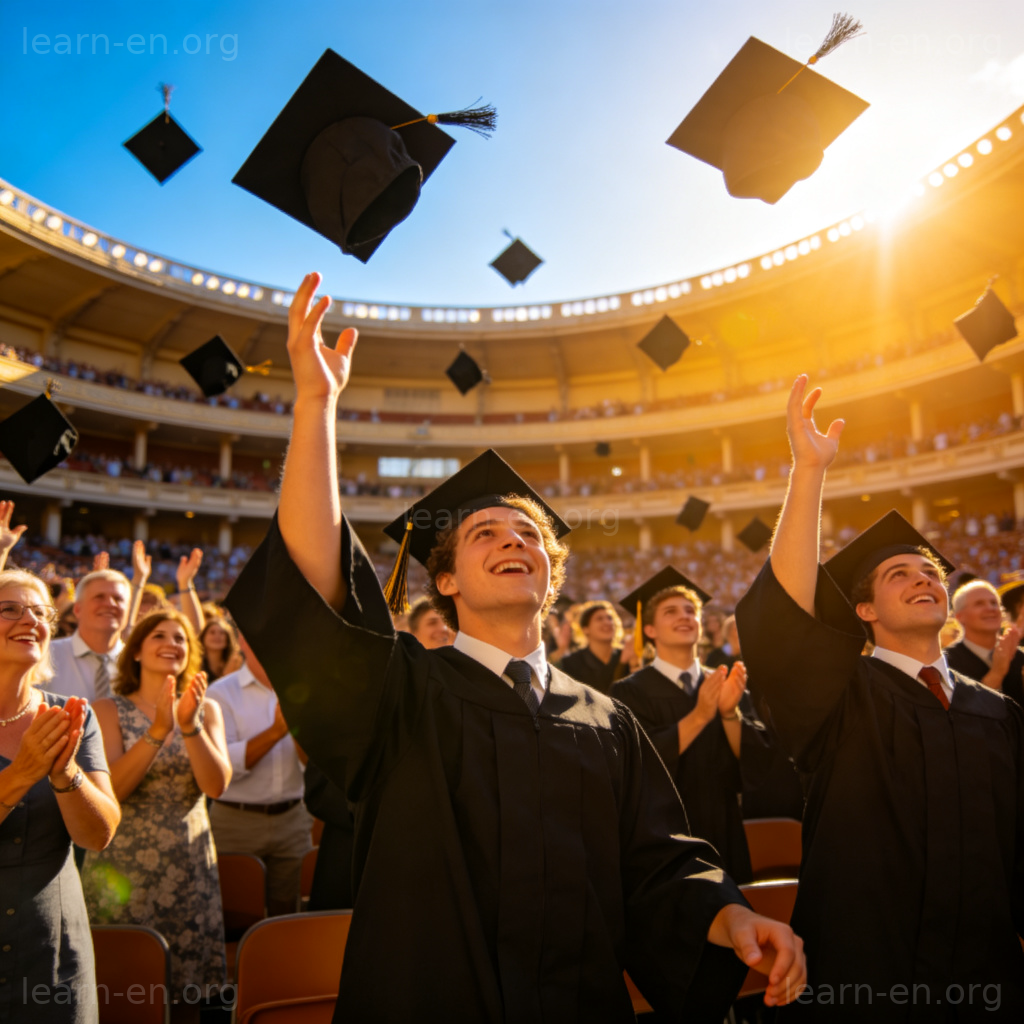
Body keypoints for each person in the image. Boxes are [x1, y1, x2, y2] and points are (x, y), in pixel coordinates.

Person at [225, 273, 805, 1022]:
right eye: (485, 534)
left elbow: (659, 860)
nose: (513, 541)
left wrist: (731, 917)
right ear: (446, 580)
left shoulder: (605, 720)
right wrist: (315, 406)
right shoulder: (400, 694)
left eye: (529, 534)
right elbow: (315, 588)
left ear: (551, 575)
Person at [735, 375, 1024, 1020]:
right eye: (899, 574)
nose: (923, 577)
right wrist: (808, 471)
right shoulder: (840, 697)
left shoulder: (997, 714)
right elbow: (782, 620)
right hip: (863, 981)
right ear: (862, 608)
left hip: (990, 983)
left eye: (930, 573)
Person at [82, 610, 232, 1016]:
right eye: (158, 636)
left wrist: (187, 726)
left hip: (189, 866)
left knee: (186, 996)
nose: (172, 643)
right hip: (124, 867)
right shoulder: (106, 710)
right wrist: (158, 731)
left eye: (181, 638)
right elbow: (110, 789)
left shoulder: (208, 710)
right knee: (124, 991)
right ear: (135, 652)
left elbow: (215, 786)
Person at [0, 568, 120, 1022]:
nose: (29, 620)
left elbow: (99, 835)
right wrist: (23, 773)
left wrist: (66, 772)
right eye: (10, 609)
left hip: (52, 959)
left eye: (39, 612)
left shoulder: (73, 716)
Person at [612, 569, 769, 883]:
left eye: (691, 611)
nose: (685, 617)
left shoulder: (726, 684)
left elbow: (757, 763)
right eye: (671, 611)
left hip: (724, 825)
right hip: (664, 830)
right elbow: (637, 764)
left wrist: (728, 713)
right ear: (651, 629)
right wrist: (699, 716)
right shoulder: (628, 691)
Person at [207, 632, 312, 916]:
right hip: (235, 822)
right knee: (235, 913)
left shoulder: (304, 687)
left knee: (289, 915)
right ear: (241, 640)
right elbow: (225, 766)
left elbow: (313, 765)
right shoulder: (219, 693)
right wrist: (278, 730)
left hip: (293, 819)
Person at [48, 570, 131, 702]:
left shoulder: (139, 665)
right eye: (99, 597)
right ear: (77, 609)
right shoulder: (46, 655)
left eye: (118, 599)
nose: (110, 604)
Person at [945, 579, 1024, 705]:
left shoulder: (1019, 657)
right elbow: (962, 714)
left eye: (994, 603)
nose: (990, 608)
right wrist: (997, 673)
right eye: (979, 604)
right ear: (960, 617)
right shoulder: (946, 662)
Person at [559, 601, 633, 694]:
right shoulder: (572, 663)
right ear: (585, 629)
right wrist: (621, 665)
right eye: (599, 619)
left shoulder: (628, 657)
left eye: (610, 618)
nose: (607, 622)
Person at [199, 615, 244, 681]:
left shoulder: (237, 664)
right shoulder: (196, 667)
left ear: (228, 638)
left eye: (222, 633)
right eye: (212, 632)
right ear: (203, 637)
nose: (217, 636)